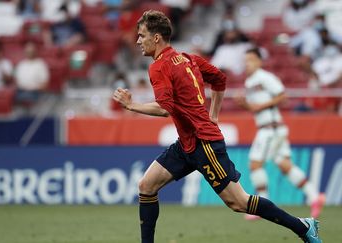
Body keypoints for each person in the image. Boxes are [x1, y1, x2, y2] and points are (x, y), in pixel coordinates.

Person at [112, 10, 322, 243]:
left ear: (157, 37)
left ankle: (303, 227)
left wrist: (132, 106)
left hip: (204, 143)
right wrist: (213, 114)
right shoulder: (189, 59)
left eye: (142, 35)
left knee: (238, 202)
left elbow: (165, 108)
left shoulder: (159, 67)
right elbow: (219, 79)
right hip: (187, 144)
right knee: (147, 185)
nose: (139, 41)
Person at [235, 48, 326, 221]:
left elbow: (283, 96)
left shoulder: (265, 77)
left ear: (260, 62)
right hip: (271, 127)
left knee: (255, 164)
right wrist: (245, 105)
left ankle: (263, 204)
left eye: (252, 60)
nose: (248, 63)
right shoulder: (250, 82)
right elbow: (256, 108)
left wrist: (259, 106)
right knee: (285, 165)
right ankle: (314, 196)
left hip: (271, 128)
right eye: (246, 60)